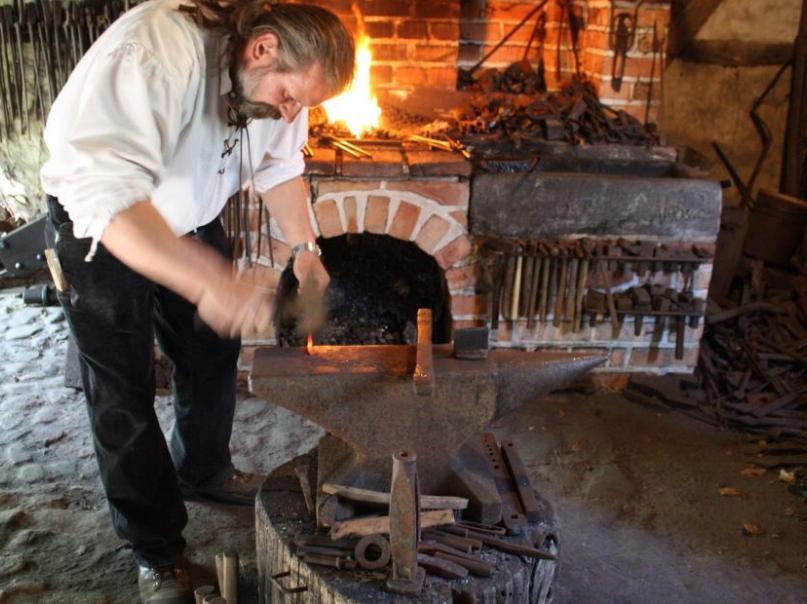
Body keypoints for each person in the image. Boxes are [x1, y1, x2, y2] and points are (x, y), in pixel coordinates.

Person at [39, 0, 354, 601]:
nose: (291, 111)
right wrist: (207, 281)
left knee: (213, 345)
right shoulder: (156, 53)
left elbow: (279, 166)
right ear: (260, 48)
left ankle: (203, 469)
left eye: (301, 104)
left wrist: (305, 248)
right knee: (122, 388)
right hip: (103, 224)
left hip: (189, 217)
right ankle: (157, 553)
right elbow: (104, 190)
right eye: (289, 96)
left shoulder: (284, 85)